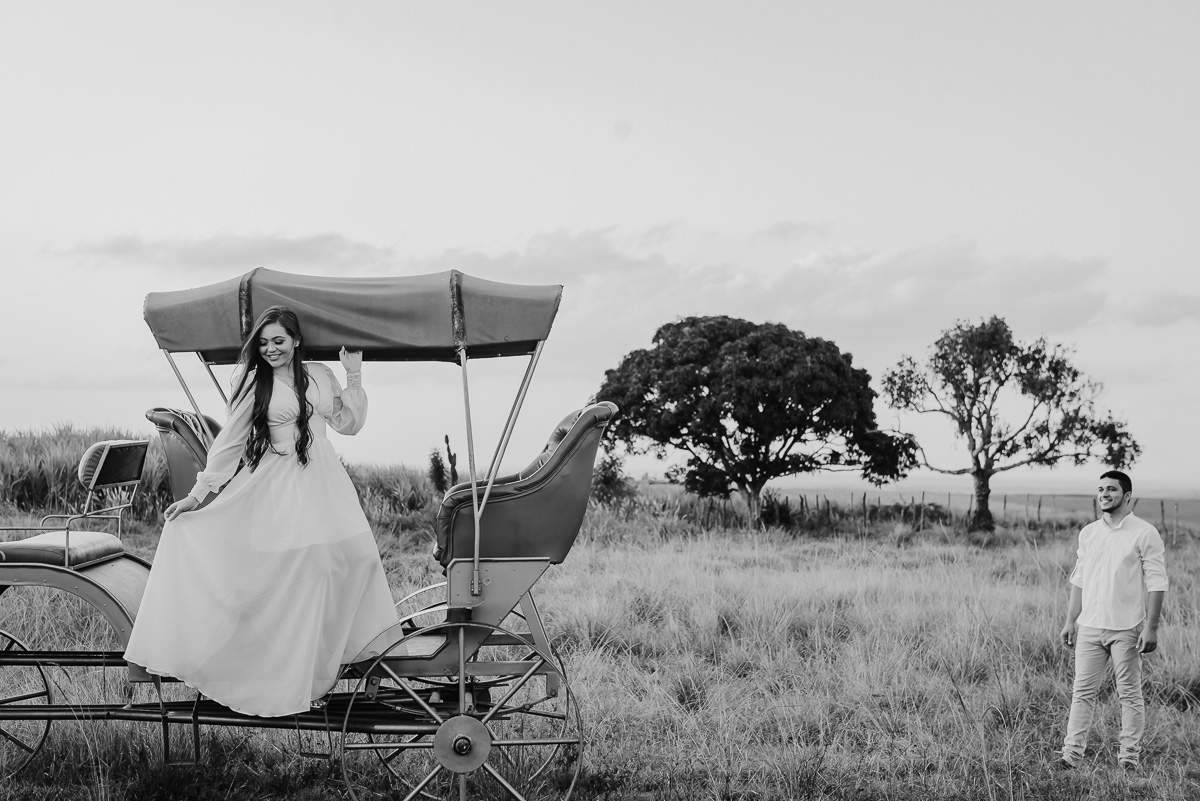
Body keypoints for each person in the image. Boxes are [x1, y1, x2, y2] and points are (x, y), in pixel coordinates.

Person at [124, 305, 399, 717]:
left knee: (359, 559)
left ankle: (340, 652)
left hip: (325, 483)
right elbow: (231, 442)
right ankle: (284, 671)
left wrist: (353, 376)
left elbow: (348, 424)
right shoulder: (256, 383)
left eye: (279, 341)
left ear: (296, 341)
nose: (271, 349)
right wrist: (198, 494)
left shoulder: (319, 375)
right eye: (264, 342)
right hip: (280, 485)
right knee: (306, 570)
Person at [1058, 470, 1167, 770]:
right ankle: (1071, 755)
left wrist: (1151, 627)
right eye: (1101, 489)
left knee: (1129, 694)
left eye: (1112, 489)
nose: (1104, 494)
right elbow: (1079, 579)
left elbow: (1157, 582)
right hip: (1089, 627)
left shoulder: (1144, 533)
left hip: (1127, 629)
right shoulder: (1089, 533)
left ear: (1127, 496)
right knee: (1082, 692)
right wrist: (1070, 621)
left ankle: (1129, 757)